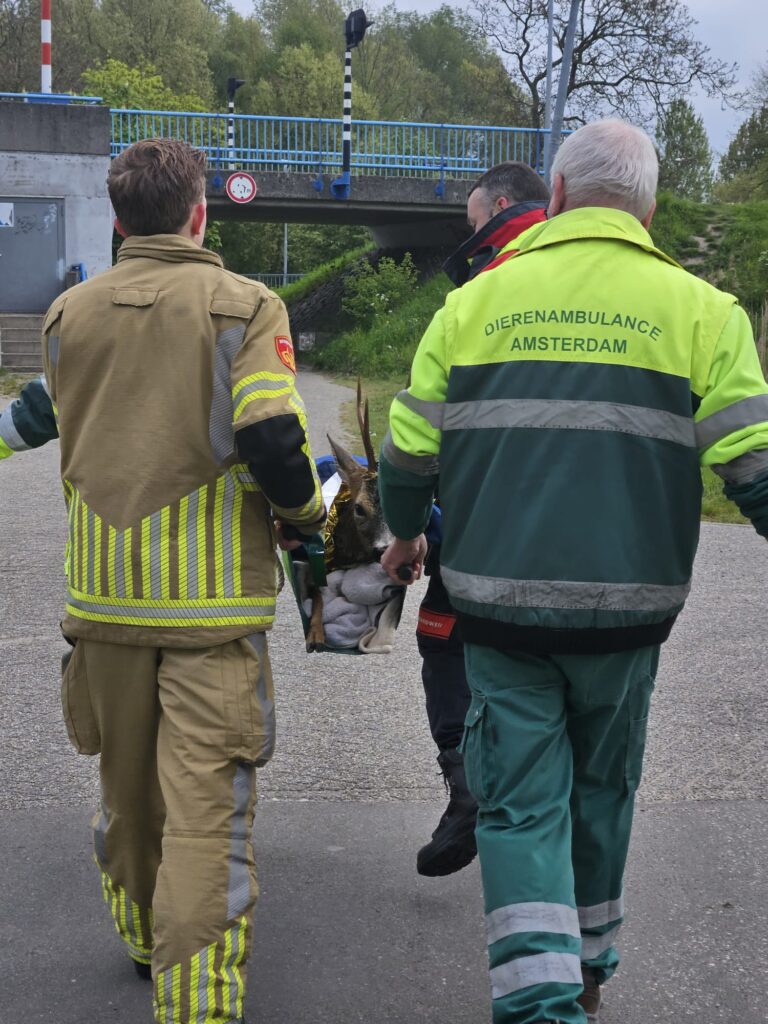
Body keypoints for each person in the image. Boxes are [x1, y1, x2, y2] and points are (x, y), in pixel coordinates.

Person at [379, 119, 768, 1024]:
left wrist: (404, 536)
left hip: (500, 614)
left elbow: (407, 454)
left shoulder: (474, 304)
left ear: (553, 198)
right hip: (629, 619)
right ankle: (588, 971)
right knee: (603, 791)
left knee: (519, 807)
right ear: (649, 210)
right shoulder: (704, 311)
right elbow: (754, 470)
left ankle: (539, 1005)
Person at [29, 138, 325, 1024]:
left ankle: (141, 937)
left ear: (120, 222)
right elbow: (271, 436)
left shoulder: (68, 314)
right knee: (204, 816)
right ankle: (196, 1002)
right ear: (200, 213)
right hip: (210, 612)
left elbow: (45, 417)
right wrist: (308, 516)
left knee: (126, 798)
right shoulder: (244, 305)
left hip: (102, 607)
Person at [415, 161, 550, 878]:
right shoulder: (616, 287)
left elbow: (419, 436)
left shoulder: (478, 299)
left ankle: (471, 788)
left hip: (482, 528)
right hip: (587, 538)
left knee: (446, 640)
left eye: (473, 224)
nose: (470, 238)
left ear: (499, 208)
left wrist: (409, 525)